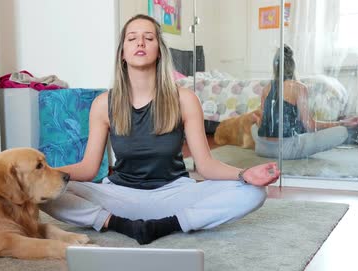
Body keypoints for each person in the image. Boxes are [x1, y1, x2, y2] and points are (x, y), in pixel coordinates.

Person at [40, 14, 280, 245]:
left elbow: (205, 165)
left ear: (159, 51)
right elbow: (89, 168)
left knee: (255, 193)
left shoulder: (185, 99)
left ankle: (166, 225)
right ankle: (117, 223)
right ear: (122, 53)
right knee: (42, 192)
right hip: (121, 196)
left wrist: (244, 174)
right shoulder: (103, 104)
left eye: (149, 38)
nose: (140, 43)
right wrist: (41, 176)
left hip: (173, 194)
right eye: (132, 38)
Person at [251, 44, 358, 159]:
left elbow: (263, 123)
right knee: (342, 132)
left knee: (253, 128)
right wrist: (341, 123)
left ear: (275, 67)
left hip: (262, 148)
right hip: (286, 150)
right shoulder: (299, 88)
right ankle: (342, 130)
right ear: (293, 66)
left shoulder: (266, 88)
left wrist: (257, 120)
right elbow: (310, 126)